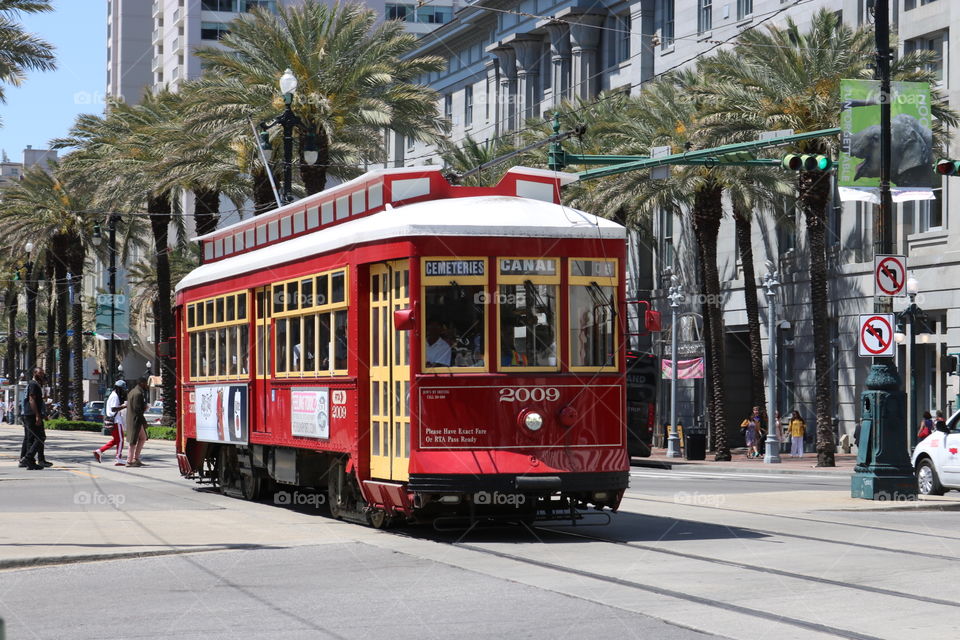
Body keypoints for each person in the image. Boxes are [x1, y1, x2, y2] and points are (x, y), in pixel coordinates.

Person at [19, 367, 50, 470]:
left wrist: (43, 414)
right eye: (40, 373)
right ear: (35, 373)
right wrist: (37, 415)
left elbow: (37, 401)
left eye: (42, 373)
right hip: (31, 415)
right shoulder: (33, 384)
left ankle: (30, 461)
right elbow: (32, 400)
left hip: (31, 414)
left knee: (32, 438)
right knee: (40, 437)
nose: (42, 375)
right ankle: (28, 458)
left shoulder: (36, 385)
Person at [95, 380, 127, 465]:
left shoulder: (113, 395)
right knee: (120, 440)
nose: (123, 391)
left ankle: (99, 451)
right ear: (118, 388)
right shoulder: (115, 396)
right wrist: (124, 406)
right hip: (116, 421)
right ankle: (118, 458)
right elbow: (113, 409)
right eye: (122, 389)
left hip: (113, 421)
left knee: (116, 440)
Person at [125, 376, 149, 467]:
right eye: (146, 383)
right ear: (142, 383)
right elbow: (137, 409)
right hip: (136, 420)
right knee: (133, 441)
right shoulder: (138, 393)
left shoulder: (132, 392)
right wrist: (144, 422)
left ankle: (136, 459)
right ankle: (129, 461)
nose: (147, 385)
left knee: (143, 438)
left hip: (133, 419)